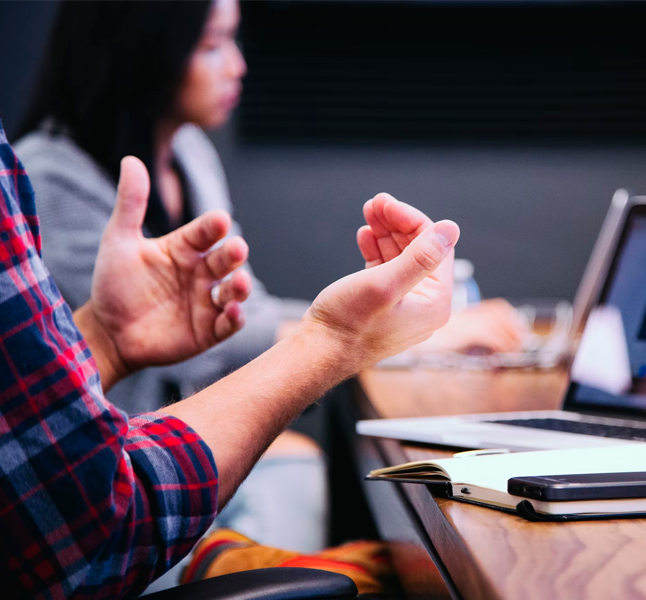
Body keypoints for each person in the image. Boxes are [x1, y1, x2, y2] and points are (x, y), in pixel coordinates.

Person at [0, 123, 460, 598]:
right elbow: (89, 524)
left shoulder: (189, 150)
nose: (238, 65)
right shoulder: (47, 173)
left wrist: (104, 339)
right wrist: (335, 340)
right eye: (215, 46)